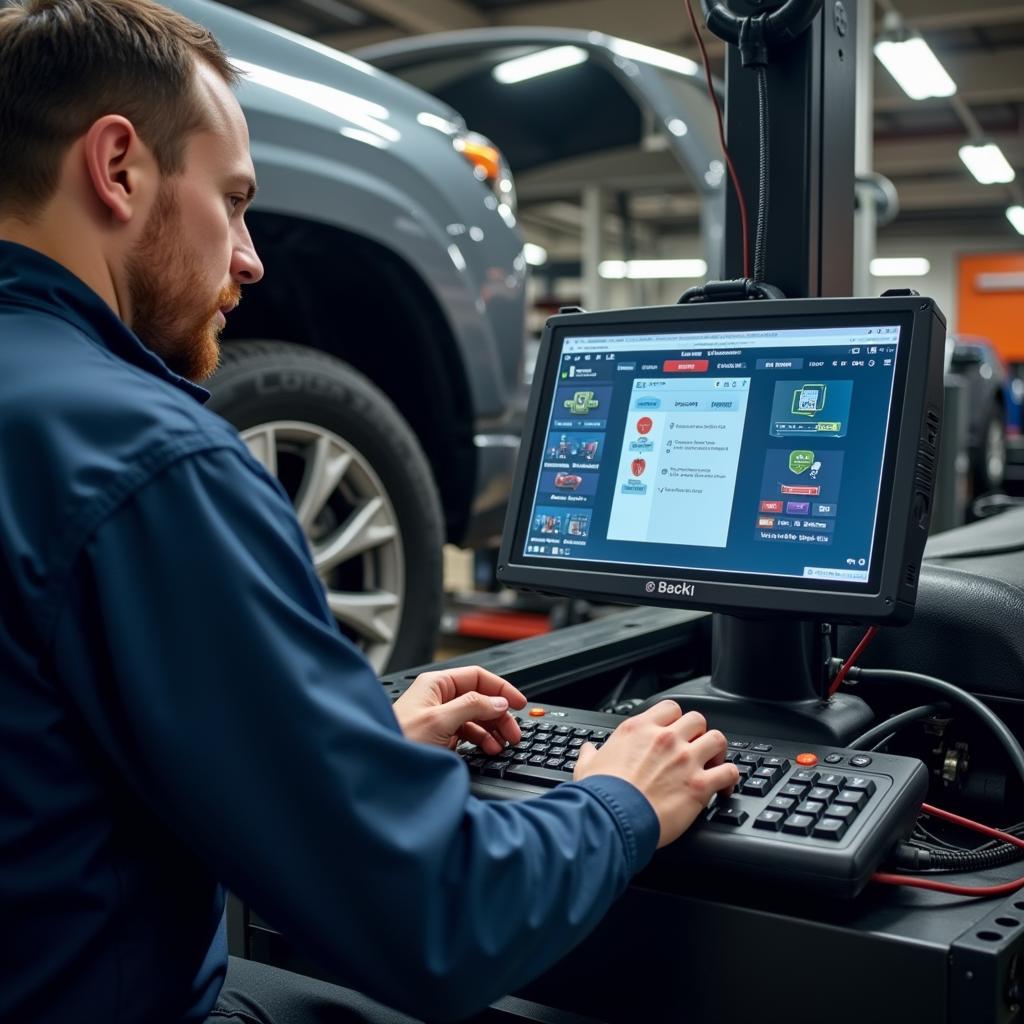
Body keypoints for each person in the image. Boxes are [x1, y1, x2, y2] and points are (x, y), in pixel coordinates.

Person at [0, 1, 740, 1021]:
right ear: (118, 167)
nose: (251, 258)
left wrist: (323, 746)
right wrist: (621, 795)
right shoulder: (147, 457)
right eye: (234, 198)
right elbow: (438, 921)